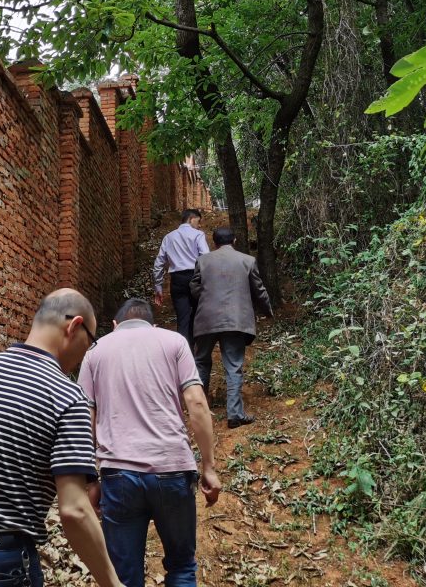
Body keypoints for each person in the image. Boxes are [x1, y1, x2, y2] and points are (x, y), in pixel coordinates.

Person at [0, 288, 125, 587]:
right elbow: (74, 510)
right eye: (90, 342)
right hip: (0, 566)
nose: (86, 353)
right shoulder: (66, 396)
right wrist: (112, 583)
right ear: (74, 326)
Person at [78, 298, 221, 587]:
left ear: (115, 325)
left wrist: (89, 479)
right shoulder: (174, 342)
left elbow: (83, 416)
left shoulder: (95, 351)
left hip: (118, 475)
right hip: (173, 470)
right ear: (153, 325)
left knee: (123, 576)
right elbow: (196, 402)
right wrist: (209, 466)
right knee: (182, 567)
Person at [190, 227, 274, 429]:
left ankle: (199, 409)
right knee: (233, 366)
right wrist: (268, 310)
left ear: (214, 242)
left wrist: (207, 299)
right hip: (236, 320)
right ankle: (234, 414)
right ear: (234, 240)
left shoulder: (203, 261)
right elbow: (259, 289)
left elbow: (194, 287)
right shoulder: (247, 260)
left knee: (201, 362)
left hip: (206, 319)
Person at [152, 209, 209, 346]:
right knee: (197, 315)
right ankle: (194, 350)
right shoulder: (198, 235)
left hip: (177, 280)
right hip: (195, 278)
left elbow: (159, 263)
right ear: (191, 219)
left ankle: (183, 351)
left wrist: (158, 286)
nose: (199, 225)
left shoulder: (169, 237)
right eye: (198, 221)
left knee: (182, 318)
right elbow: (206, 257)